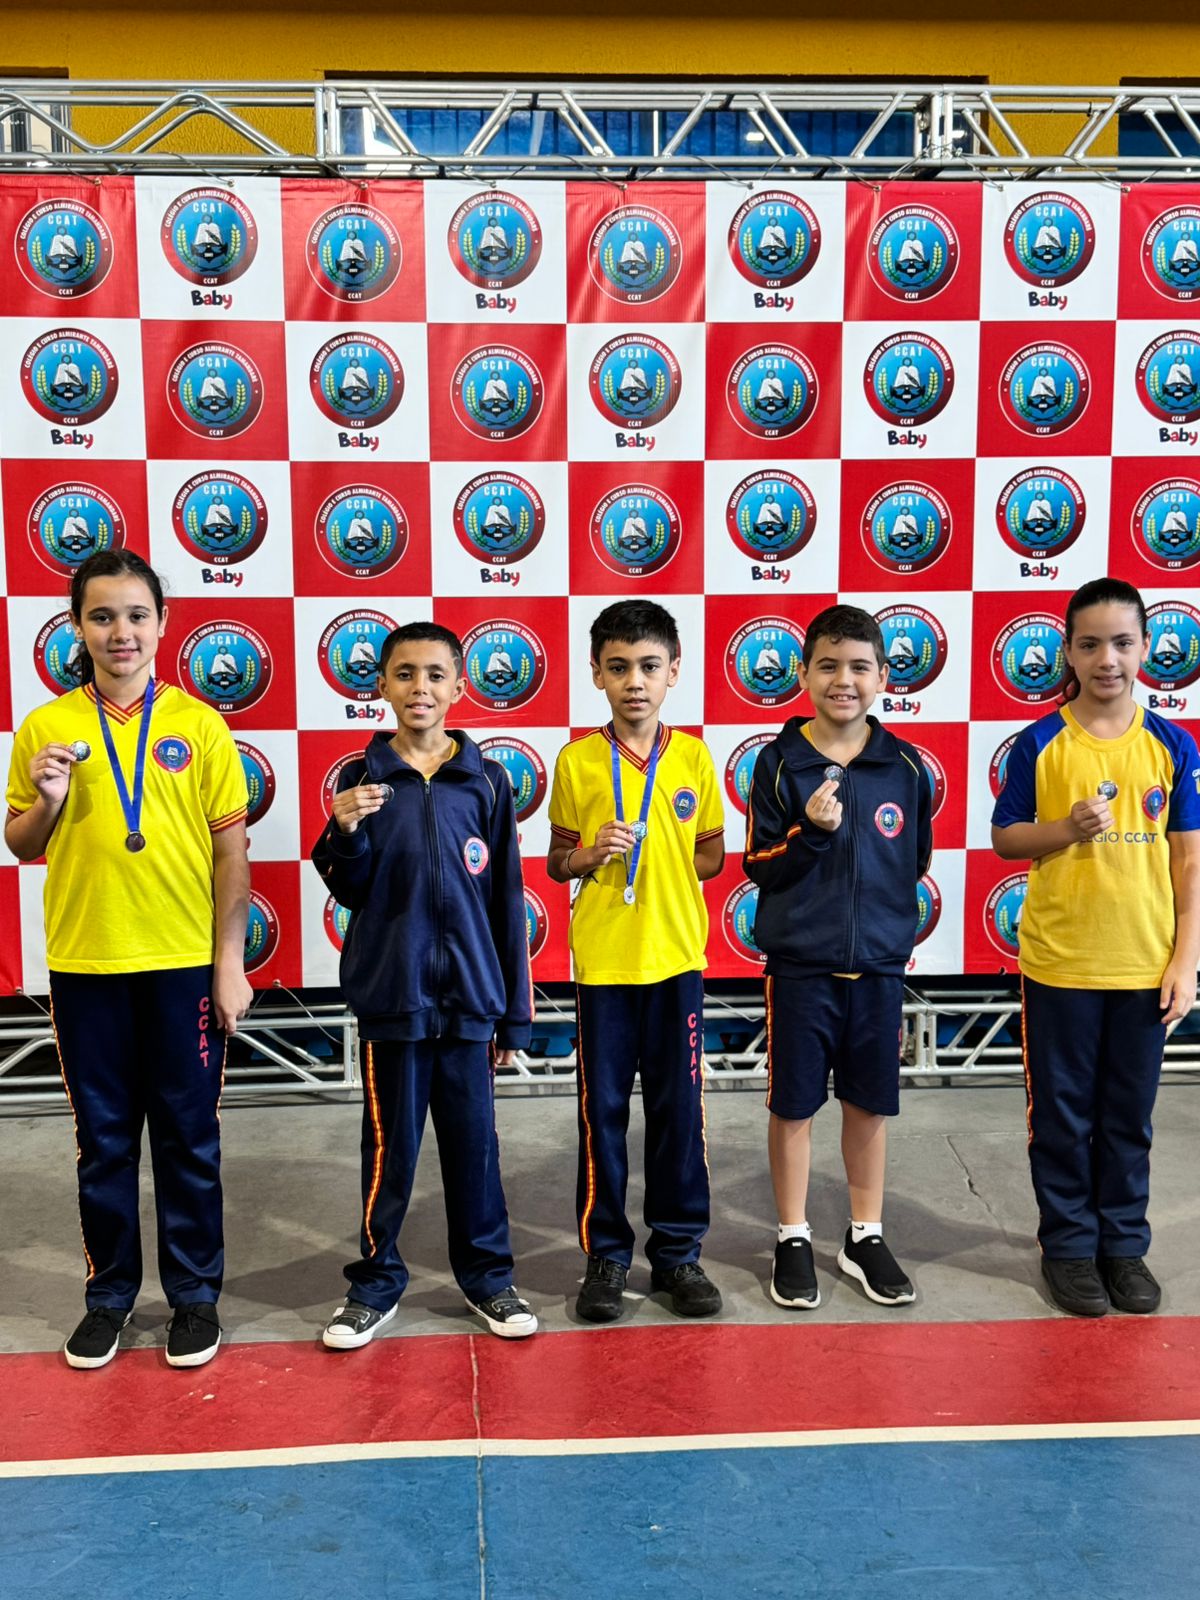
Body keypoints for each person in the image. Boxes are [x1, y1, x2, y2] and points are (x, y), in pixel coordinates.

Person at [4, 550, 252, 1370]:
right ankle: (108, 1297)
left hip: (181, 963)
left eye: (137, 615)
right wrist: (47, 802)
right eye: (103, 616)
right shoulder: (47, 727)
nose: (121, 632)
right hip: (87, 965)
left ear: (162, 624)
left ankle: (194, 1297)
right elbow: (22, 843)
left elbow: (231, 854)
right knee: (104, 1142)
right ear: (77, 626)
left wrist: (228, 963)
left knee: (188, 1137)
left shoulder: (198, 725)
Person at [311, 622, 537, 1347]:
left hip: (471, 1002)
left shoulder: (487, 780)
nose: (420, 688)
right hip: (394, 1001)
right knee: (390, 1154)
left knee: (476, 1152)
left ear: (460, 687)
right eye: (405, 674)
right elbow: (351, 889)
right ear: (380, 685)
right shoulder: (362, 779)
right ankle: (375, 1285)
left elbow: (506, 900)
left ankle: (489, 1279)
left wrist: (514, 1014)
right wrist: (342, 835)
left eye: (436, 675)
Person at [991, 577, 1200, 1317]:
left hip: (1144, 965)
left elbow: (1188, 861)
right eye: (1090, 644)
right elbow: (1006, 837)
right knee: (1062, 1117)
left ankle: (1123, 1247)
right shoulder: (1039, 743)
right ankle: (1071, 1248)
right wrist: (1066, 830)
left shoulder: (1174, 744)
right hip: (1061, 966)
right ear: (1069, 653)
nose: (1107, 659)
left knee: (1127, 1118)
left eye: (1121, 643)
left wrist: (1185, 960)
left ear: (1144, 648)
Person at [743, 605, 931, 1311]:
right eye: (827, 665)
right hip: (801, 968)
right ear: (803, 675)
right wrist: (813, 834)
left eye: (858, 666)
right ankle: (792, 1234)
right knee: (794, 1105)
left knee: (869, 1104)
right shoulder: (779, 762)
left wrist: (881, 931)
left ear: (883, 677)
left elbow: (912, 860)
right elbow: (761, 865)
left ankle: (864, 1234)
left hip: (877, 967)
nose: (842, 680)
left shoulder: (905, 766)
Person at [547, 600, 725, 1323]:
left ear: (674, 671)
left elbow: (712, 854)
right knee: (604, 1114)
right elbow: (558, 861)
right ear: (596, 673)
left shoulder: (694, 758)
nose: (635, 682)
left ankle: (677, 1253)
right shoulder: (576, 760)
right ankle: (607, 1255)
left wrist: (666, 866)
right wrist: (592, 855)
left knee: (679, 1112)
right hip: (604, 967)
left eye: (649, 666)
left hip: (676, 959)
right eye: (618, 667)